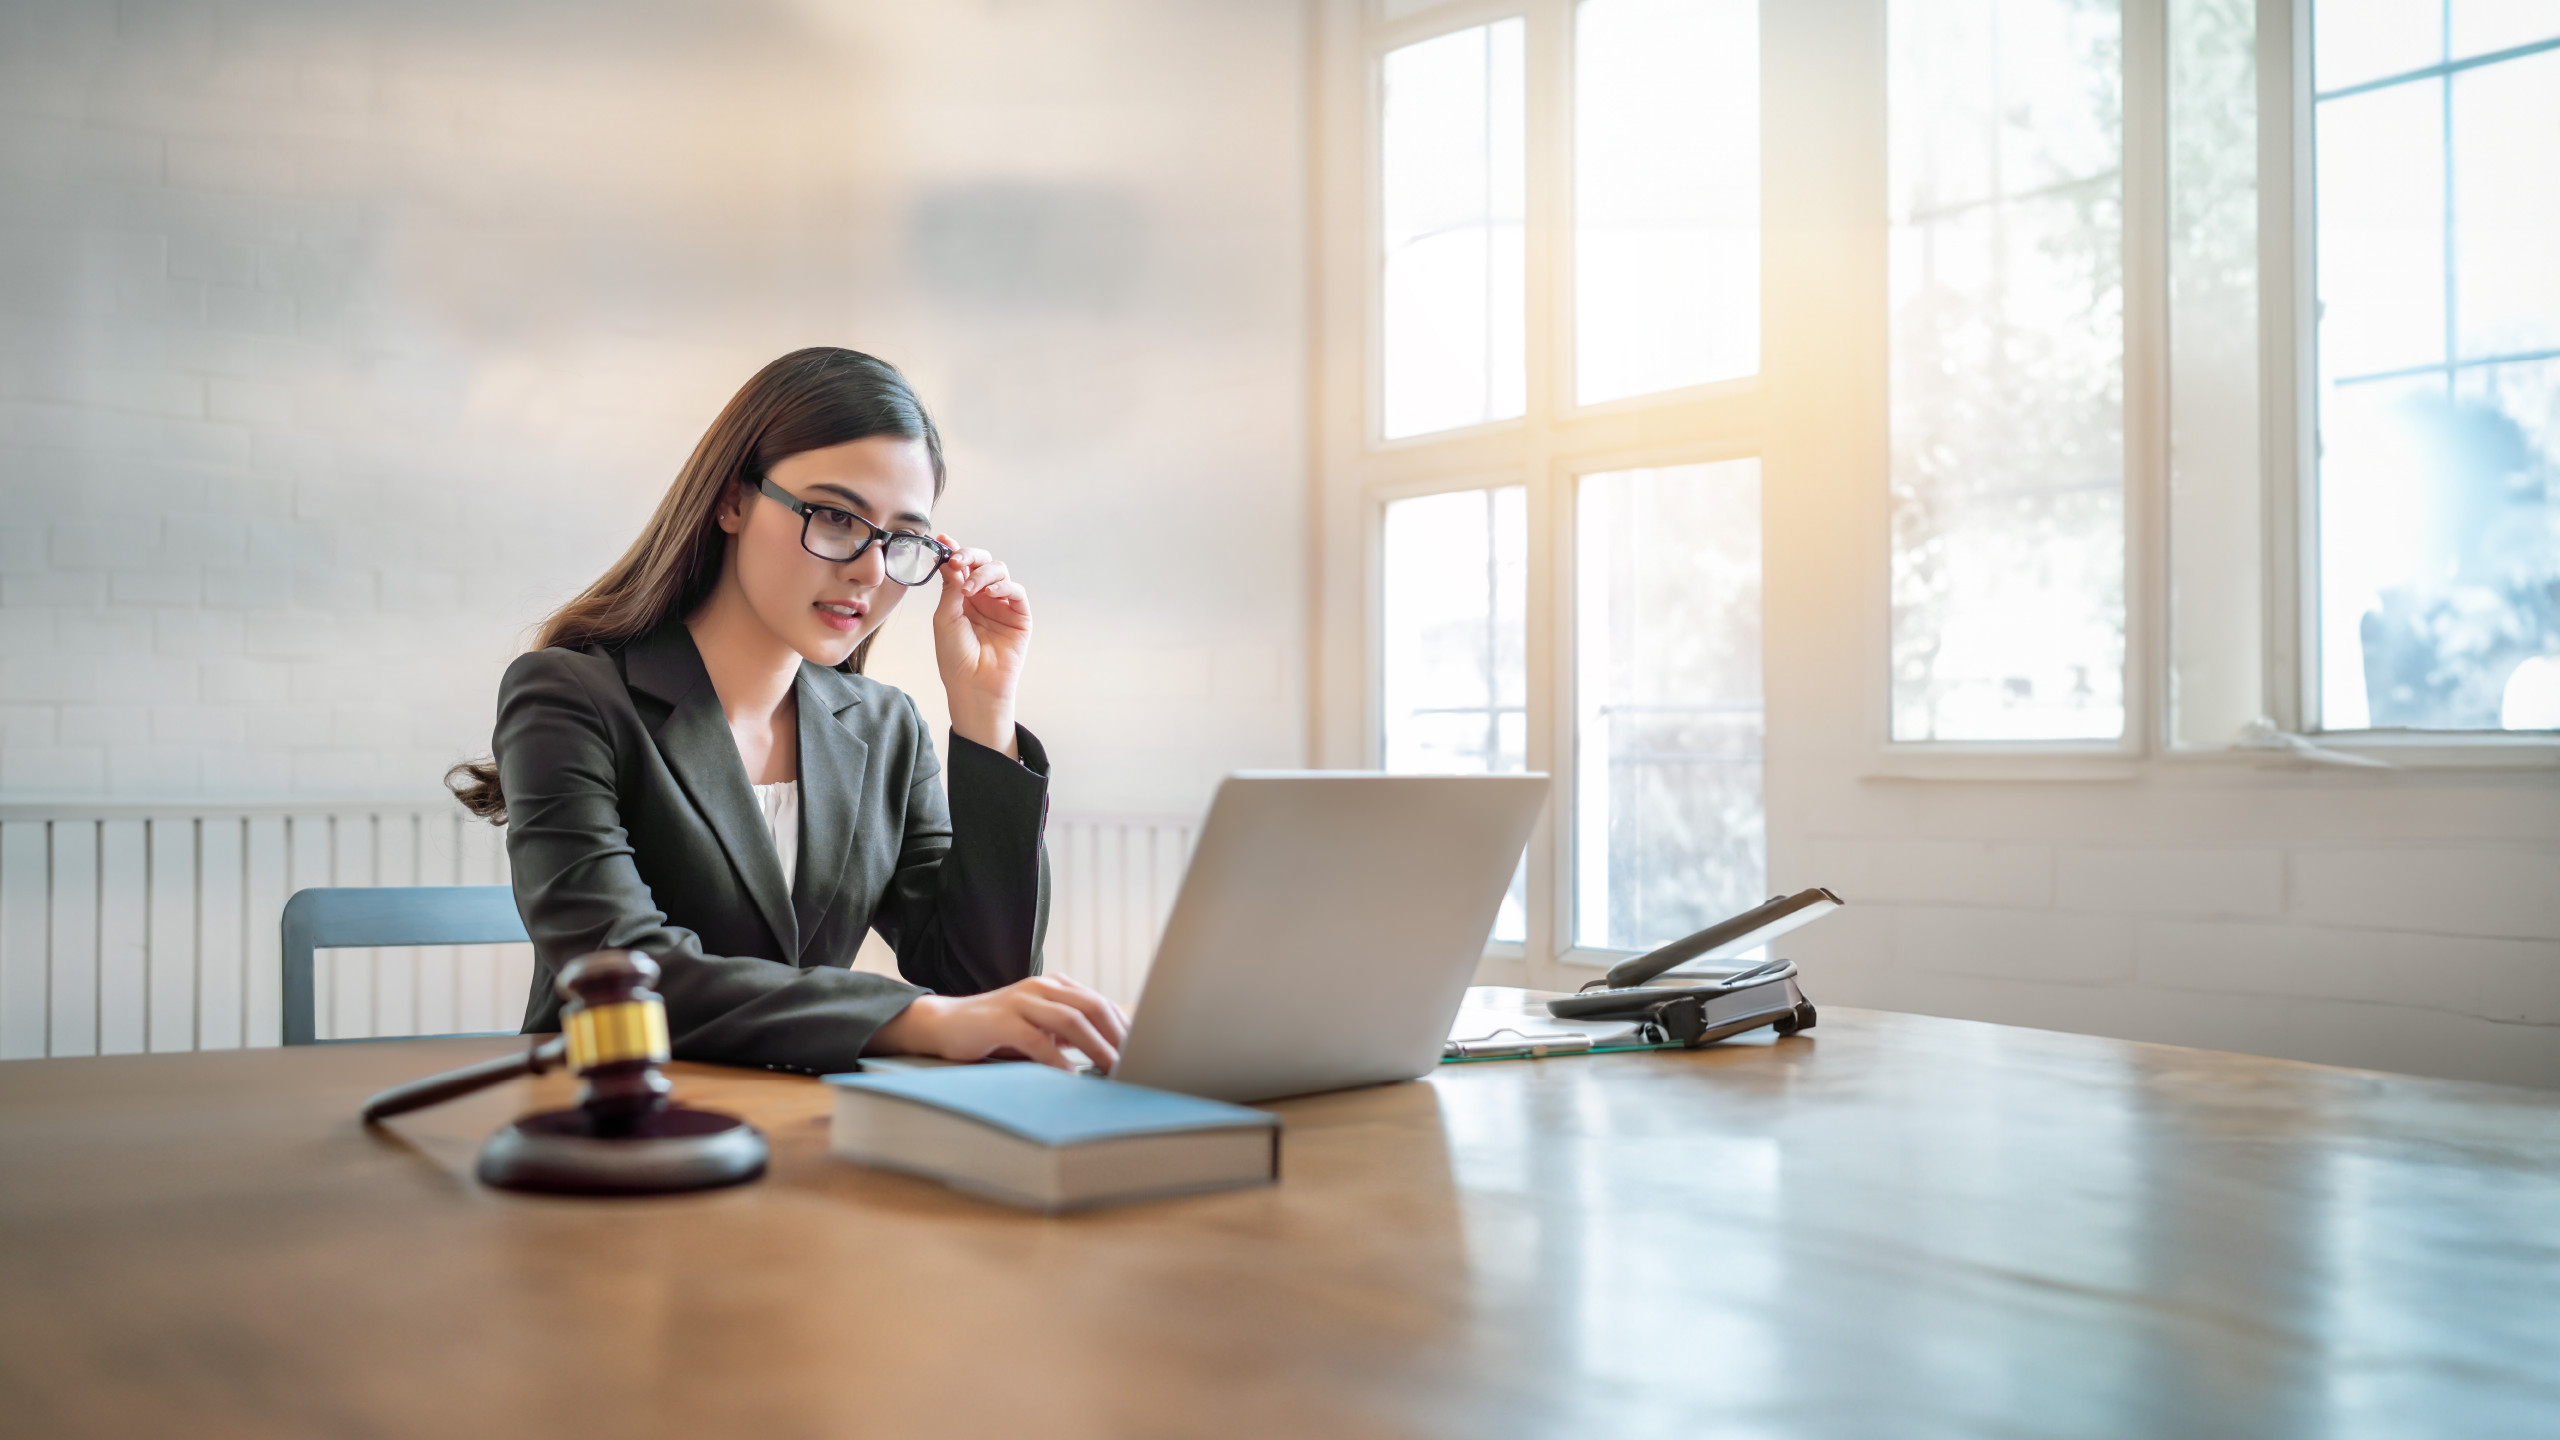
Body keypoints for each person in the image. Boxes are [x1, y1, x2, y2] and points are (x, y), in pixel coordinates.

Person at [447, 348, 1127, 1076]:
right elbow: (623, 971)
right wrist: (911, 1018)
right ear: (732, 500)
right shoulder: (570, 696)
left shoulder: (885, 730)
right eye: (836, 517)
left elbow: (982, 980)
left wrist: (986, 714)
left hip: (810, 1132)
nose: (869, 569)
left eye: (902, 538)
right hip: (618, 1128)